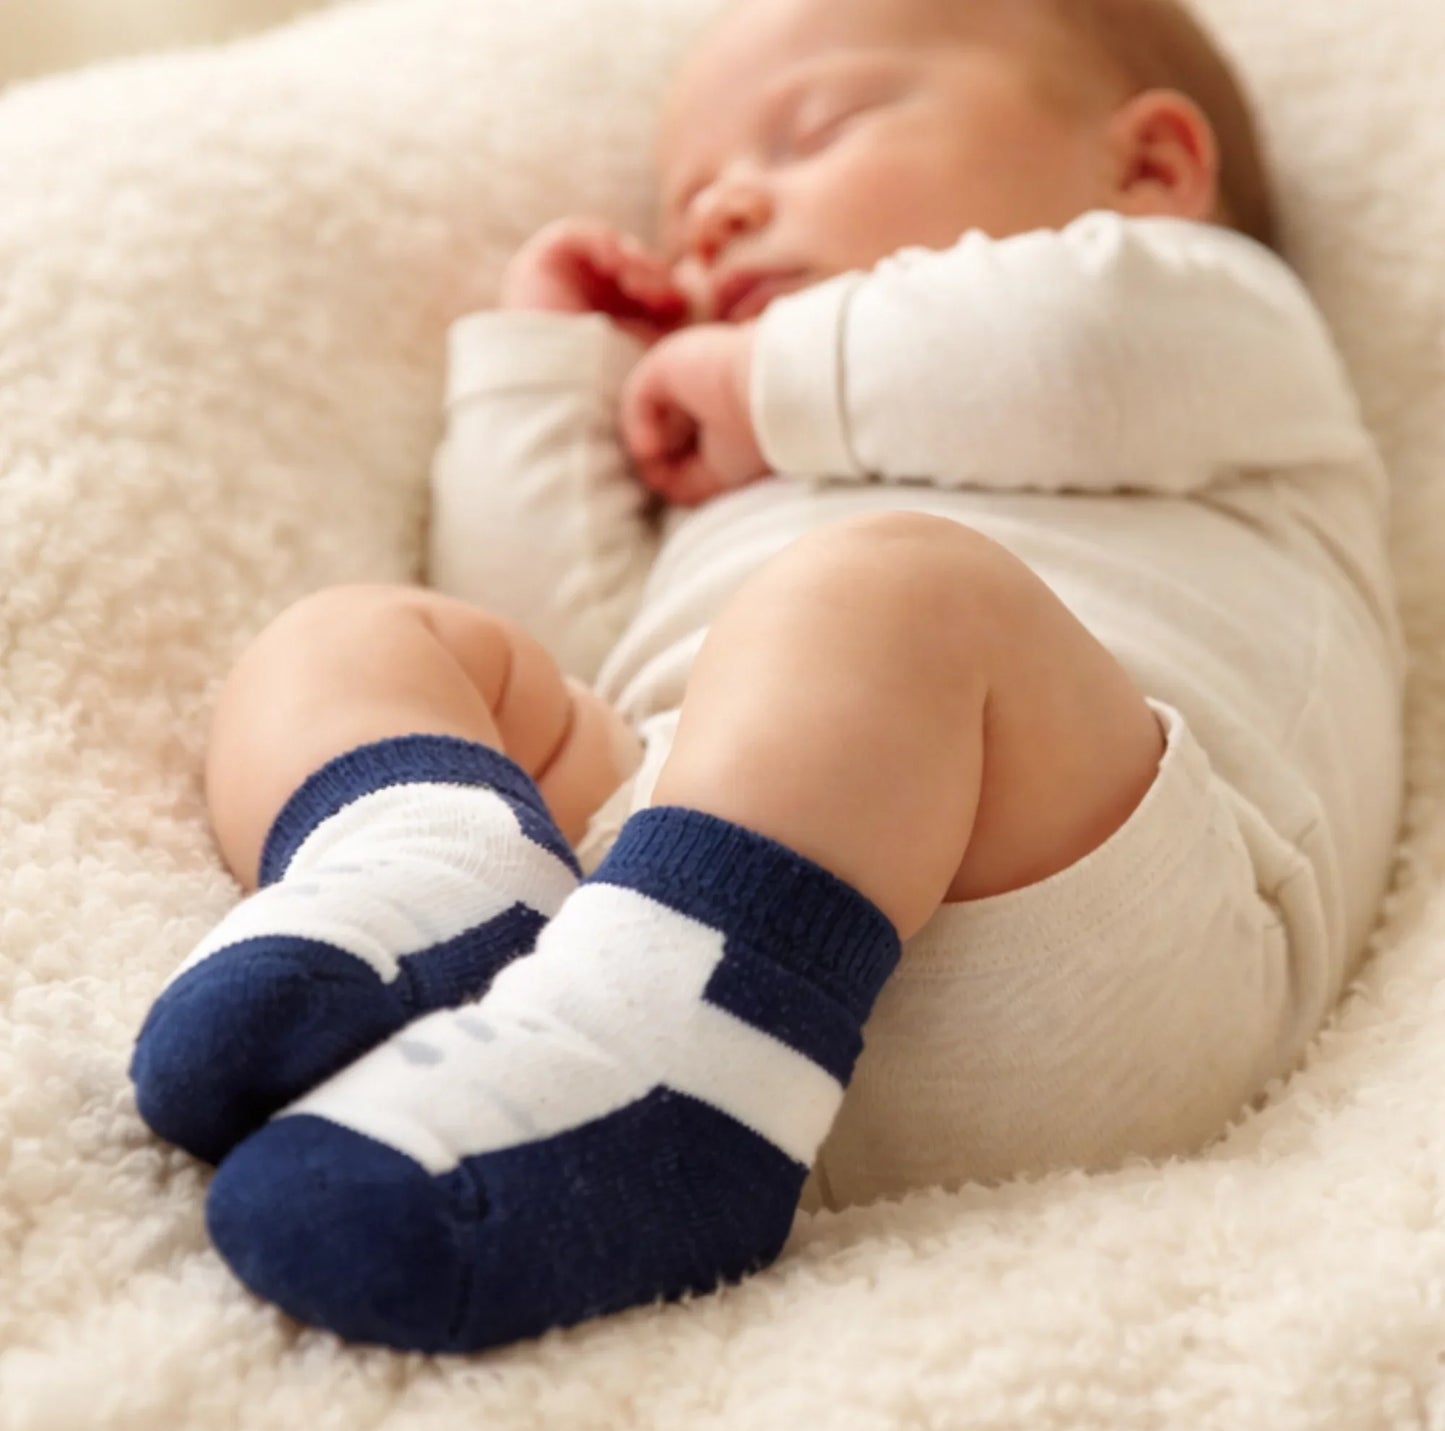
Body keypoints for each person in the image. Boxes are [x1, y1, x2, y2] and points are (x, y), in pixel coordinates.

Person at [129, 0, 1403, 1353]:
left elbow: (1075, 349)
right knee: (361, 636)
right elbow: (553, 632)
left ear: (1145, 169)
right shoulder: (741, 461)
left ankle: (651, 1075)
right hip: (685, 916)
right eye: (690, 201)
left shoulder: (1207, 319)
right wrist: (546, 373)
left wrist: (759, 374)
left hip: (1100, 929)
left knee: (889, 591)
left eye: (815, 131)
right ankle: (438, 883)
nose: (724, 208)